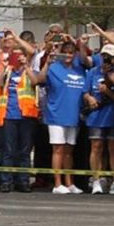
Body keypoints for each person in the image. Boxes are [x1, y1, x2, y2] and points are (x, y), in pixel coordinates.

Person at [29, 35, 89, 194]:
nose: (68, 55)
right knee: (58, 149)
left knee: (69, 151)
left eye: (71, 52)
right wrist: (47, 64)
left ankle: (69, 182)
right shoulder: (54, 67)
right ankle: (57, 183)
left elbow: (87, 60)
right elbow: (38, 80)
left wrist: (81, 44)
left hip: (74, 116)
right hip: (56, 115)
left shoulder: (79, 69)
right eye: (66, 52)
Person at [85, 43, 114, 195]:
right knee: (96, 146)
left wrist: (107, 91)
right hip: (96, 115)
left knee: (113, 148)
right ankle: (96, 179)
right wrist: (89, 98)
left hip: (113, 113)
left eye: (110, 57)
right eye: (104, 56)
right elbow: (86, 91)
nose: (106, 60)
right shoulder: (92, 72)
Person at [0, 48, 36, 192]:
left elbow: (35, 81)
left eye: (20, 55)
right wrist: (0, 63)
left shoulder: (28, 70)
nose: (17, 58)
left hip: (26, 115)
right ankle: (6, 181)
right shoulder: (8, 70)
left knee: (24, 151)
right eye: (14, 55)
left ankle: (23, 181)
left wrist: (26, 66)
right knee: (8, 150)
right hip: (9, 115)